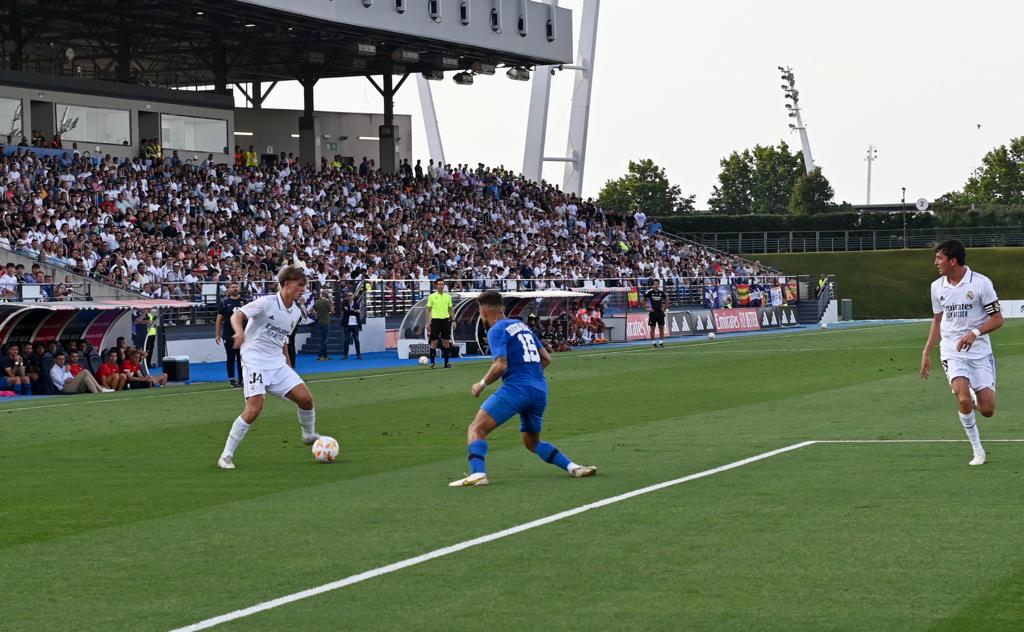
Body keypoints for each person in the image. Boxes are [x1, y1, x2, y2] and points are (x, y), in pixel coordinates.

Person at [449, 290, 597, 487]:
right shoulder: (522, 326)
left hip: (516, 389)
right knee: (532, 442)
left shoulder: (496, 330)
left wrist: (481, 384)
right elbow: (547, 358)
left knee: (476, 429)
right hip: (539, 390)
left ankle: (478, 475)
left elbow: (501, 365)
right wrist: (530, 377)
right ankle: (574, 468)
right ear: (502, 308)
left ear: (484, 311)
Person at [217, 265, 321, 470]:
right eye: (300, 285)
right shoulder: (266, 303)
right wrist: (239, 333)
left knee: (306, 399)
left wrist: (289, 367)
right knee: (254, 409)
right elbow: (237, 315)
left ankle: (308, 434)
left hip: (277, 363)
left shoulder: (296, 313)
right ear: (288, 284)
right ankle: (226, 456)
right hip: (255, 361)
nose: (303, 290)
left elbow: (282, 340)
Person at [920, 240, 1003, 466]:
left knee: (987, 410)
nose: (936, 262)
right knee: (963, 399)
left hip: (979, 352)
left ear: (953, 260)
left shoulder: (981, 283)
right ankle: (978, 451)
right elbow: (937, 321)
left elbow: (997, 319)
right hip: (951, 350)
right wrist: (927, 351)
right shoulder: (937, 287)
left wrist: (975, 332)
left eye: (940, 258)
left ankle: (975, 398)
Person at [215, 283, 246, 386]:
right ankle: (232, 380)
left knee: (242, 358)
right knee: (230, 357)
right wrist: (217, 334)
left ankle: (242, 379)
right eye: (232, 287)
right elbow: (219, 319)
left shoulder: (244, 302)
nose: (235, 288)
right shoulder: (224, 302)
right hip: (228, 334)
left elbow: (250, 317)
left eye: (236, 286)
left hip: (242, 334)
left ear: (239, 288)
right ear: (229, 290)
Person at [424, 279, 453, 368]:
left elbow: (450, 309)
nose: (441, 286)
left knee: (446, 342)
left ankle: (446, 363)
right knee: (434, 342)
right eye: (439, 284)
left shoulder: (448, 296)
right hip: (435, 320)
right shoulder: (432, 296)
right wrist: (427, 322)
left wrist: (454, 320)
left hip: (445, 320)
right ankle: (432, 363)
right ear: (436, 285)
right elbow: (428, 310)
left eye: (442, 284)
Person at [644, 280, 668, 349]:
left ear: (659, 285)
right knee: (652, 328)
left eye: (657, 284)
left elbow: (666, 299)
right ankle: (653, 343)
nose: (656, 285)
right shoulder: (650, 292)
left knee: (661, 328)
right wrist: (646, 307)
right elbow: (643, 299)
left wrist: (664, 308)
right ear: (653, 285)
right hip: (653, 312)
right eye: (655, 284)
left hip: (660, 313)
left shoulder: (661, 292)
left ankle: (661, 342)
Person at [313, 289, 333, 361]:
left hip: (320, 322)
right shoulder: (327, 302)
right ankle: (320, 355)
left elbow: (311, 310)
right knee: (325, 340)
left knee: (323, 339)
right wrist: (330, 300)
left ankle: (325, 356)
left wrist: (316, 315)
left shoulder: (317, 301)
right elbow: (332, 311)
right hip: (326, 322)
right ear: (327, 294)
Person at [341, 295, 362, 360]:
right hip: (347, 324)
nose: (349, 297)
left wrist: (351, 311)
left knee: (356, 340)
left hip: (355, 324)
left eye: (350, 296)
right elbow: (346, 312)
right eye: (348, 296)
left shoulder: (356, 304)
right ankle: (345, 355)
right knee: (346, 340)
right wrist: (354, 311)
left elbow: (358, 313)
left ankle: (358, 354)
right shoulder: (344, 303)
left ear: (353, 296)